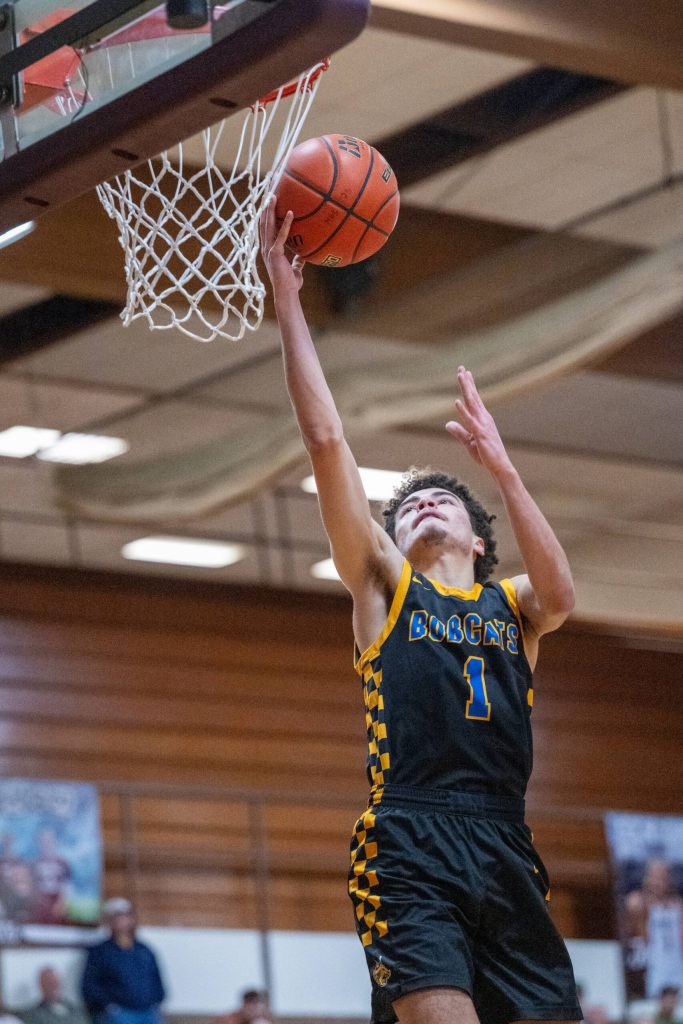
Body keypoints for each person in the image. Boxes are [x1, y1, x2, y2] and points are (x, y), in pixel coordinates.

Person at [260, 196, 582, 1024]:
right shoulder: (383, 587)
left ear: (478, 539)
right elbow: (328, 440)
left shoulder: (509, 609)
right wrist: (289, 305)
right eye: (406, 507)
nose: (422, 506)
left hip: (505, 841)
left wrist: (505, 474)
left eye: (441, 499)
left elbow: (560, 597)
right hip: (408, 838)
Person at [81, 898, 165, 1024]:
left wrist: (156, 1000)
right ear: (109, 921)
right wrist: (109, 1006)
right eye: (117, 916)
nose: (122, 920)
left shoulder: (145, 951)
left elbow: (157, 980)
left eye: (126, 915)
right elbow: (89, 985)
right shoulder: (100, 952)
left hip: (148, 1011)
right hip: (118, 1014)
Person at [626, 860, 683, 998]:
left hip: (676, 962)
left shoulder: (678, 904)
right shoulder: (638, 901)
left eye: (662, 877)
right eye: (654, 876)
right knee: (654, 1000)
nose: (658, 881)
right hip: (652, 962)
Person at [23, 967, 90, 1024]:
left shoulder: (75, 1009)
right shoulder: (34, 1015)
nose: (53, 986)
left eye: (55, 982)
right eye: (49, 983)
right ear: (41, 985)